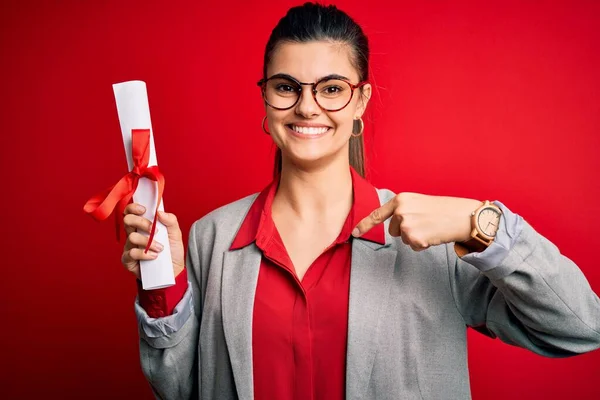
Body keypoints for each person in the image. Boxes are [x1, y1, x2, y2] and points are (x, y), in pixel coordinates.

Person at [121, 3, 600, 399]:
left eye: (331, 89)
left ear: (361, 101)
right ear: (265, 99)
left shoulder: (438, 240)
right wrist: (164, 284)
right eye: (286, 87)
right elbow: (180, 388)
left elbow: (580, 327)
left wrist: (482, 221)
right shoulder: (210, 238)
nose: (307, 107)